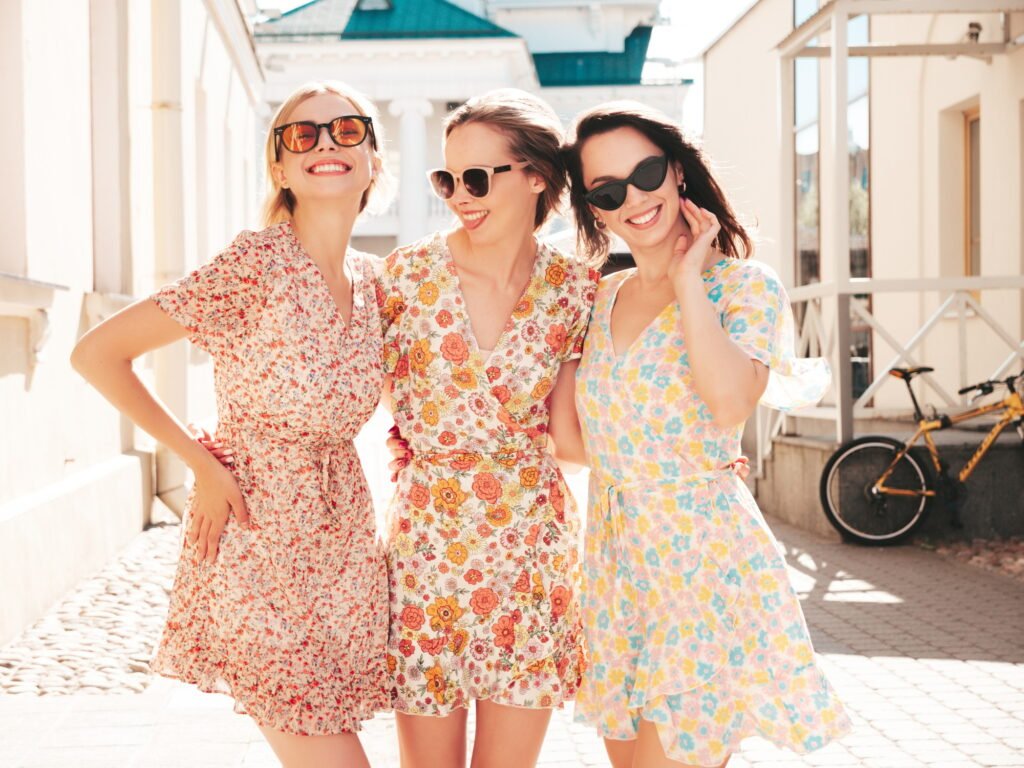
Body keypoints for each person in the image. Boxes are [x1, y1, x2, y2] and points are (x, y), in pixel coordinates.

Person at [71, 81, 393, 768]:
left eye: (345, 130)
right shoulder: (256, 263)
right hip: (257, 535)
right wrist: (202, 465)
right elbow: (99, 353)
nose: (326, 144)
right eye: (301, 135)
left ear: (373, 159)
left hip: (343, 554)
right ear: (279, 168)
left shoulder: (375, 282)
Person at [557, 101, 851, 768]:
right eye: (607, 190)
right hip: (614, 561)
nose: (633, 196)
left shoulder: (742, 287)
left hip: (701, 563)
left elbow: (727, 406)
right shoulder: (598, 300)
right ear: (594, 210)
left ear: (679, 172)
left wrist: (689, 279)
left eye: (647, 172)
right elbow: (576, 444)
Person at [376, 89, 598, 768]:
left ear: (536, 175)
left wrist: (699, 453)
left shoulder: (574, 287)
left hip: (531, 551)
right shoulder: (404, 277)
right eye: (447, 179)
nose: (460, 196)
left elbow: (573, 439)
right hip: (427, 551)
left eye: (477, 178)